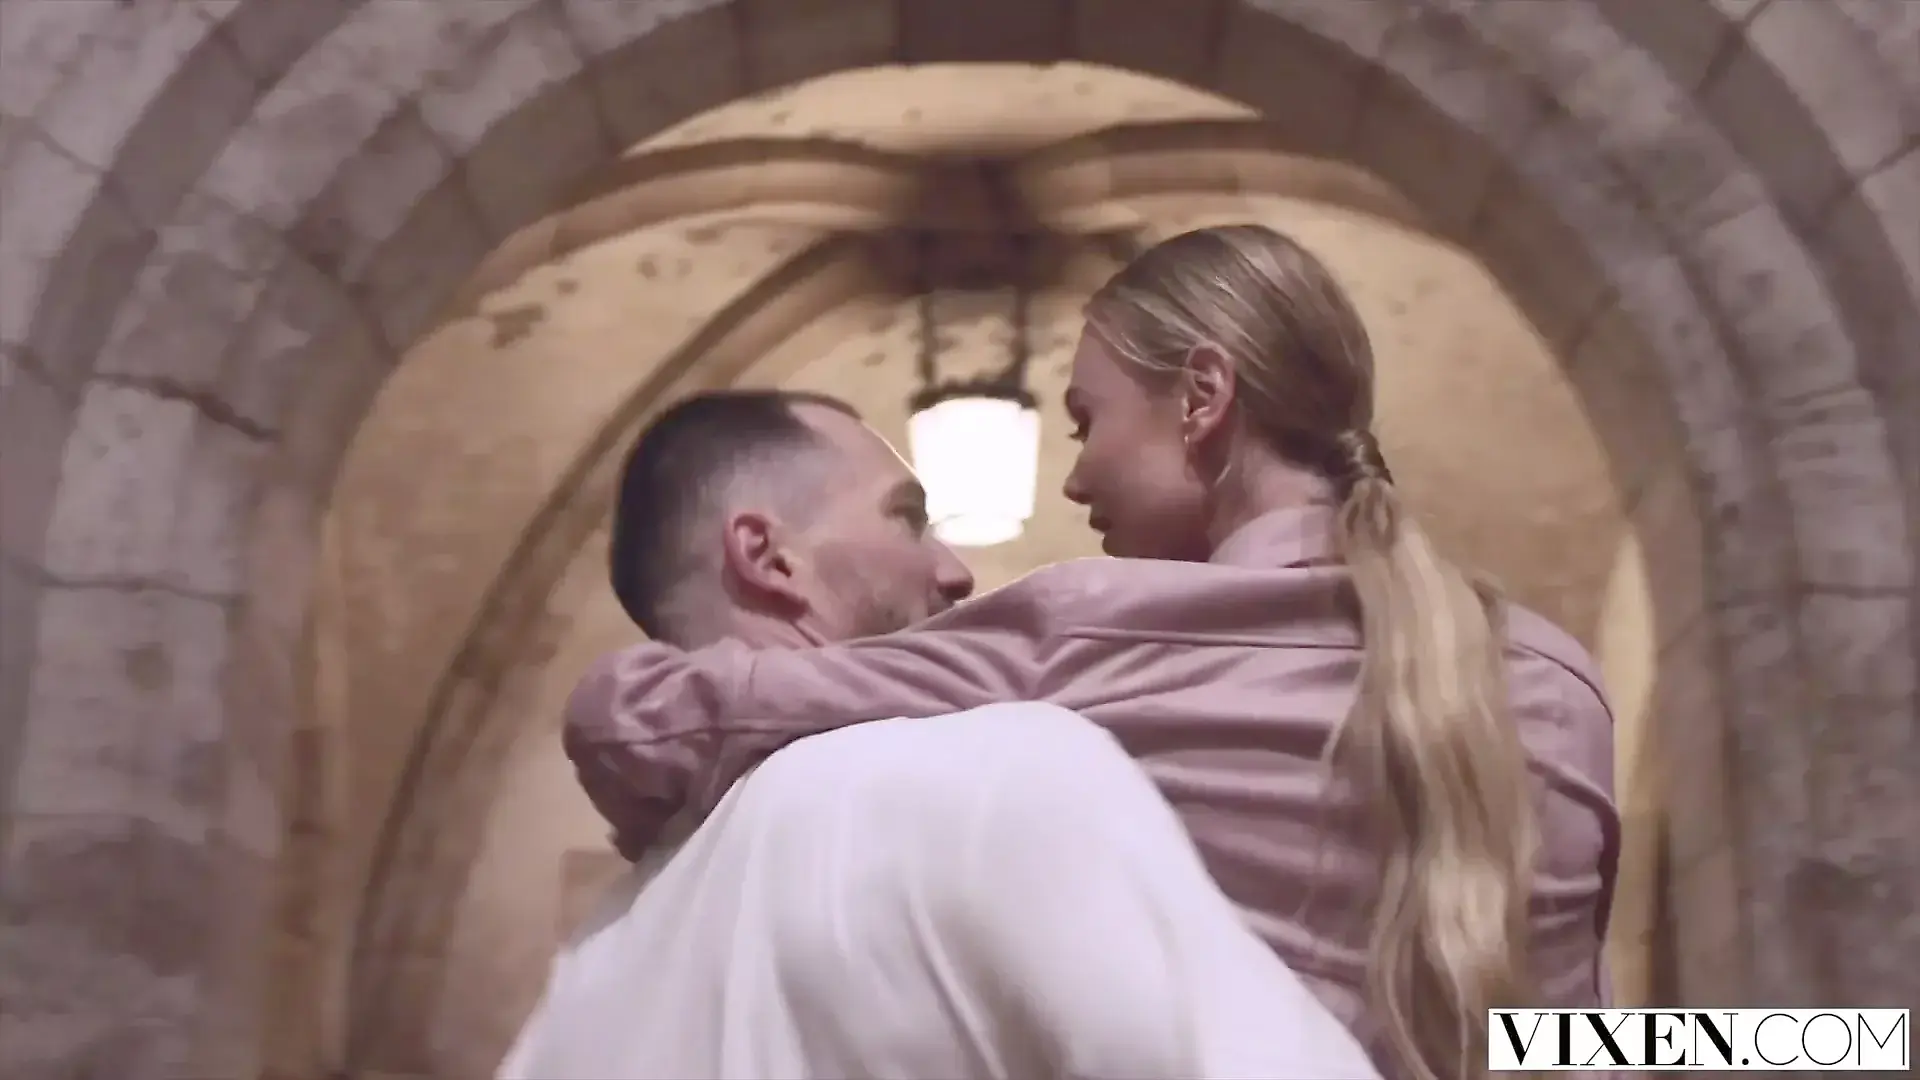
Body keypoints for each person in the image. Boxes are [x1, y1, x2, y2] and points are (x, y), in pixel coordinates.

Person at [564, 225, 1621, 1080]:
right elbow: (1574, 1040)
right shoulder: (1556, 679)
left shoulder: (1085, 639)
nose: (1074, 481)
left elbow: (645, 727)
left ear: (1202, 399)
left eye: (1085, 421)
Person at [506, 389, 1377, 1079]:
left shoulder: (589, 976)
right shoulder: (1002, 775)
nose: (957, 572)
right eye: (908, 515)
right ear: (768, 558)